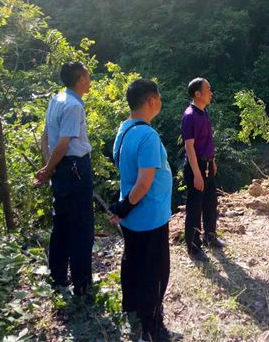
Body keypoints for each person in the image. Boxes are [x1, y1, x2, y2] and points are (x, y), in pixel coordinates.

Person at [109, 79, 181, 342]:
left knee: (133, 265)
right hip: (150, 217)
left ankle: (133, 314)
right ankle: (152, 330)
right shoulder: (148, 136)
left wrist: (122, 208)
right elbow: (143, 183)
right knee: (155, 273)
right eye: (159, 98)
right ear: (151, 101)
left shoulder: (124, 129)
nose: (160, 102)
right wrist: (125, 207)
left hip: (133, 220)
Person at [37, 62, 94, 296]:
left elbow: (45, 136)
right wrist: (49, 168)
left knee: (61, 222)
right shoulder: (73, 106)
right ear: (80, 79)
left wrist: (49, 165)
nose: (90, 80)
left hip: (61, 168)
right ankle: (82, 284)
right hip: (75, 168)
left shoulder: (56, 99)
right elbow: (63, 143)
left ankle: (58, 275)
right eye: (88, 76)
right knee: (81, 226)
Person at [181, 77, 223, 263]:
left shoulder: (204, 112)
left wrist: (212, 160)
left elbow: (207, 141)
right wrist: (197, 174)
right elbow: (189, 147)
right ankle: (193, 246)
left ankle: (210, 236)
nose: (211, 93)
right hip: (195, 166)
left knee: (210, 202)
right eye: (208, 89)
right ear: (197, 94)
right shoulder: (190, 115)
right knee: (194, 208)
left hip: (207, 163)